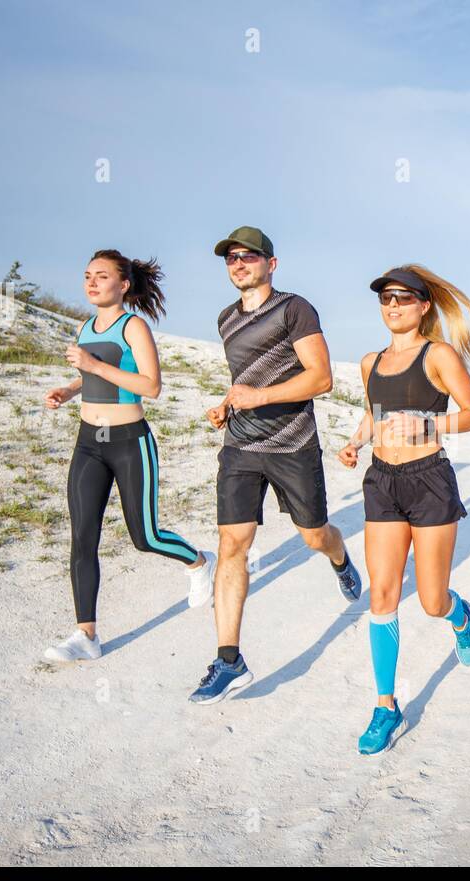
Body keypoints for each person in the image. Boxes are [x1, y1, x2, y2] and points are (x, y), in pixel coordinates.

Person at [191, 226, 362, 703]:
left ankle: (340, 558)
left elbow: (321, 378)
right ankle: (230, 661)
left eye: (248, 256)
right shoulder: (226, 318)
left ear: (271, 263)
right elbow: (243, 380)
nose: (238, 264)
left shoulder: (294, 309)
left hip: (292, 445)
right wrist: (228, 404)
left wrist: (259, 396)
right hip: (241, 446)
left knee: (314, 535)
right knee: (232, 544)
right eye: (231, 259)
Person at [336, 265, 470, 755]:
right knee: (382, 596)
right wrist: (356, 441)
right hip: (382, 481)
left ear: (423, 306)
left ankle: (459, 615)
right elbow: (374, 413)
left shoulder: (437, 354)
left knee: (431, 600)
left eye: (403, 298)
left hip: (428, 482)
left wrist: (427, 428)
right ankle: (385, 706)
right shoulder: (369, 362)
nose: (393, 305)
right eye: (385, 299)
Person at [42, 250, 214, 662]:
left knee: (145, 536)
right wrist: (69, 389)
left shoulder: (133, 326)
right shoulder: (85, 326)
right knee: (82, 537)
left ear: (123, 285)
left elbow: (150, 385)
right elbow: (90, 374)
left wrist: (91, 366)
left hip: (128, 440)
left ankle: (198, 561)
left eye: (102, 276)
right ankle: (86, 635)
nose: (92, 283)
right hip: (88, 441)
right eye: (87, 276)